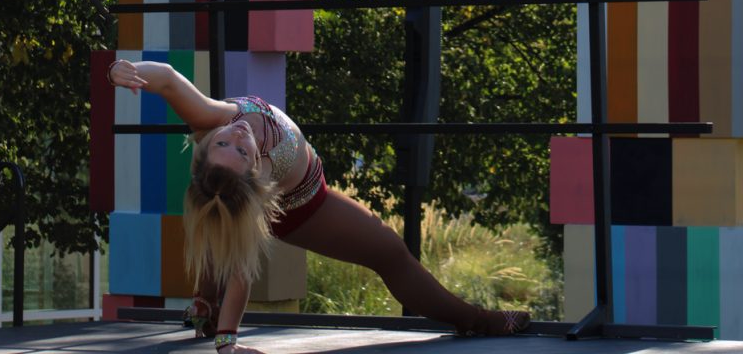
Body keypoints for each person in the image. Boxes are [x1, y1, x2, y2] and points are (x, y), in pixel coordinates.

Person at [108, 59, 530, 346]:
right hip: (306, 206)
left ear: (207, 142)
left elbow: (163, 77)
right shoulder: (259, 190)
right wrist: (227, 343)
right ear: (254, 172)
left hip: (262, 194)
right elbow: (242, 271)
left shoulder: (209, 117)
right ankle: (476, 319)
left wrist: (120, 71)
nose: (238, 137)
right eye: (240, 152)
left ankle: (202, 302)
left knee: (221, 217)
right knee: (391, 253)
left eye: (226, 141)